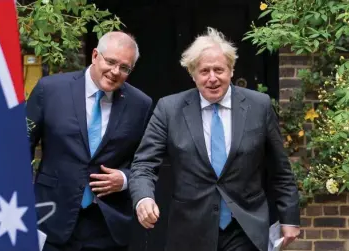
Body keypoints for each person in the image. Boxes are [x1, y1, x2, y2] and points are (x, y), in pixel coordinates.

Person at [129, 27, 300, 251]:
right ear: (192, 74)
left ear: (231, 70)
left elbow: (280, 169)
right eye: (204, 71)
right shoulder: (169, 109)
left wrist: (290, 218)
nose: (212, 78)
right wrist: (144, 198)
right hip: (190, 229)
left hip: (245, 227)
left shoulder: (259, 106)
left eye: (219, 70)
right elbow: (143, 164)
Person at [26, 31, 153, 251]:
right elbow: (20, 147)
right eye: (111, 62)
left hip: (107, 224)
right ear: (95, 55)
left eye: (124, 68)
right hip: (50, 216)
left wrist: (124, 178)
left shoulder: (140, 104)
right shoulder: (51, 90)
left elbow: (147, 162)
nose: (115, 72)